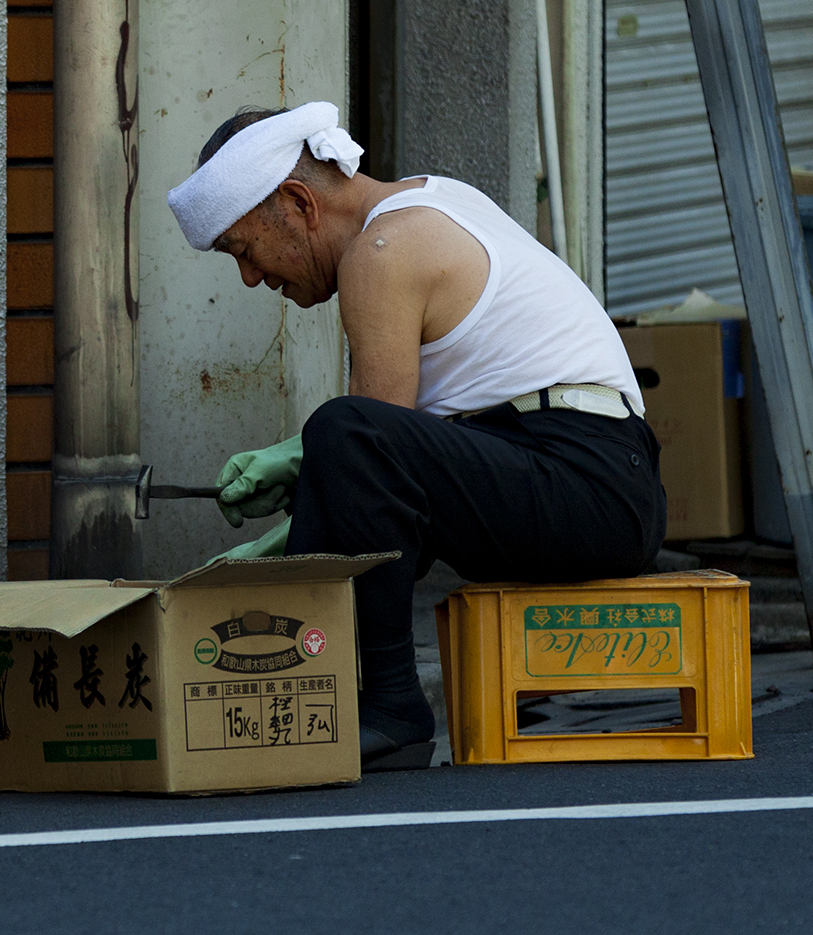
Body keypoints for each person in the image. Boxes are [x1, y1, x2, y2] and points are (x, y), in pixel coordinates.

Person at [166, 102, 666, 769]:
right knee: (349, 445)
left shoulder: (381, 254)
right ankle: (292, 700)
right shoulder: (427, 200)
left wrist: (288, 527)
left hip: (590, 481)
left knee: (345, 433)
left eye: (244, 250)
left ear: (298, 203)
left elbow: (366, 445)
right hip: (599, 475)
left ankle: (388, 707)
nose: (253, 277)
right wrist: (305, 476)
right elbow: (395, 458)